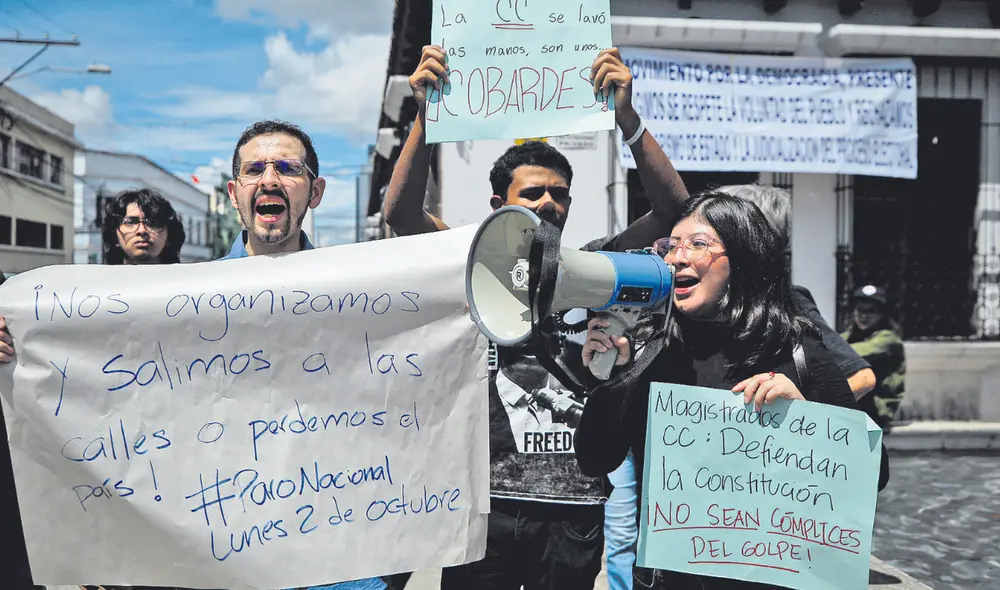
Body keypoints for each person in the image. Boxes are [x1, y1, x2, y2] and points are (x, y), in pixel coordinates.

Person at [382, 45, 690, 590]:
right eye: (534, 193)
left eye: (561, 194)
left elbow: (673, 212)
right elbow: (400, 214)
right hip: (484, 506)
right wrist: (426, 117)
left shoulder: (599, 264)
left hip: (572, 512)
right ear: (500, 203)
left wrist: (629, 121)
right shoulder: (467, 261)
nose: (550, 203)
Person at [576, 192, 890, 590]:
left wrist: (806, 414)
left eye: (698, 244)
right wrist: (608, 381)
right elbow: (594, 459)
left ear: (742, 257)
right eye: (670, 247)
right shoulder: (651, 350)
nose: (676, 258)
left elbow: (874, 472)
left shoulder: (796, 349)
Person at [841, 284, 906, 431]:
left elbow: (856, 351)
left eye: (871, 311)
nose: (864, 315)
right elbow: (831, 345)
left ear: (882, 314)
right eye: (860, 310)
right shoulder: (850, 336)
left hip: (877, 407)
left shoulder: (888, 339)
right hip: (856, 405)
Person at [102, 188, 187, 265]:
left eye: (153, 223)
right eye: (130, 222)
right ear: (115, 236)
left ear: (169, 237)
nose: (142, 230)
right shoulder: (101, 281)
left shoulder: (187, 281)